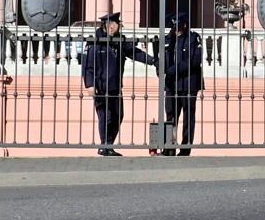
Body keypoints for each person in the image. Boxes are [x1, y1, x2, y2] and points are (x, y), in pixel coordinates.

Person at [81, 12, 153, 157]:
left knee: (119, 115)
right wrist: (89, 84)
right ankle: (105, 146)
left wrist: (154, 61)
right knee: (105, 116)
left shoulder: (119, 41)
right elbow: (88, 66)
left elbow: (135, 53)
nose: (114, 27)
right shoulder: (95, 42)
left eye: (116, 24)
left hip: (115, 86)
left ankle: (108, 145)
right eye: (112, 24)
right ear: (105, 25)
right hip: (101, 86)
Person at [159, 12, 205, 157]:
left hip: (188, 84)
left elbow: (195, 61)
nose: (175, 29)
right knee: (171, 116)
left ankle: (185, 149)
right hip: (172, 84)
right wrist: (160, 68)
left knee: (188, 117)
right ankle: (169, 147)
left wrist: (174, 69)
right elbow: (160, 58)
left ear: (184, 25)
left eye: (178, 25)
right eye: (173, 26)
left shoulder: (193, 38)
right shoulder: (167, 40)